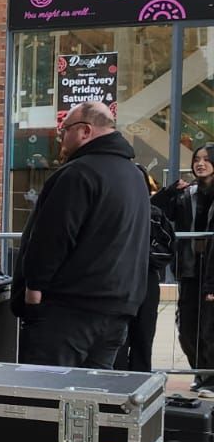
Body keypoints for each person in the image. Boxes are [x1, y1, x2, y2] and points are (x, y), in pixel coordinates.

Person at [11, 101, 149, 367]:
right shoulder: (134, 175)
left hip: (67, 311)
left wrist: (33, 293)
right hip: (117, 309)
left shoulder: (78, 173)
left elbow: (52, 238)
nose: (61, 136)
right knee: (90, 399)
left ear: (85, 131)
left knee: (46, 395)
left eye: (65, 129)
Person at [154, 143, 214, 387]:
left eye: (207, 159)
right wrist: (168, 192)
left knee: (210, 327)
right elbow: (153, 210)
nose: (200, 163)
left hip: (212, 270)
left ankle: (210, 378)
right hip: (190, 269)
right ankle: (201, 373)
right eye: (197, 159)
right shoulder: (185, 195)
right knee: (187, 328)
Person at [115, 165, 175, 372]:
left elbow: (166, 249)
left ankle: (141, 380)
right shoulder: (112, 211)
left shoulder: (155, 214)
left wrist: (139, 257)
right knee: (118, 338)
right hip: (116, 281)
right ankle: (117, 381)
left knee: (143, 335)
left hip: (146, 280)